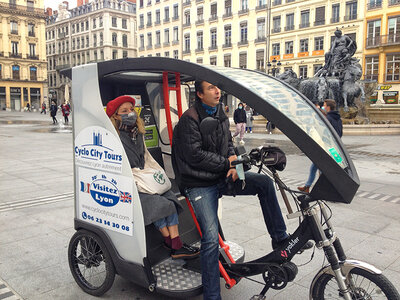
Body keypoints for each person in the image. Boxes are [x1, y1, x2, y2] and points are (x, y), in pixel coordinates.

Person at [172, 81, 312, 300]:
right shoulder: (189, 120)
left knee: (264, 184)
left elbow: (227, 143)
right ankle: (211, 296)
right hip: (197, 183)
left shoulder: (218, 112)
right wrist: (227, 164)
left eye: (217, 87)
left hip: (219, 175)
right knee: (210, 238)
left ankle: (280, 239)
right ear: (199, 94)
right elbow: (195, 156)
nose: (217, 91)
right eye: (210, 88)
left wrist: (236, 163)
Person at [106, 95, 199, 260]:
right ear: (115, 116)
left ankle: (172, 242)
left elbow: (144, 157)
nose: (130, 113)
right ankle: (174, 243)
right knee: (158, 204)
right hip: (130, 183)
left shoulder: (137, 133)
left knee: (170, 198)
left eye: (132, 109)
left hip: (144, 178)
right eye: (124, 111)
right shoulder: (114, 138)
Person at [298, 99, 342, 193]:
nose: (323, 107)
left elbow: (324, 134)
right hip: (334, 147)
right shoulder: (338, 119)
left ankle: (327, 189)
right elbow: (340, 133)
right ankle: (307, 186)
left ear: (328, 107)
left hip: (326, 147)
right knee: (315, 167)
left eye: (324, 105)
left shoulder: (328, 119)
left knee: (323, 169)